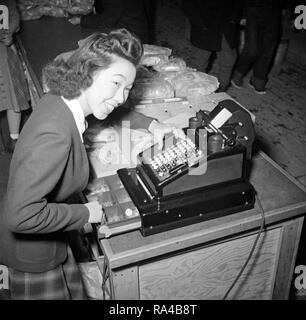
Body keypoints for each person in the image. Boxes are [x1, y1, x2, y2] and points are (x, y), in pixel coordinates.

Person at [0, 28, 183, 300]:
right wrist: (87, 214)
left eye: (128, 88)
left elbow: (112, 110)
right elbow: (22, 216)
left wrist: (152, 124)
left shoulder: (63, 100)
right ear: (87, 72)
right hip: (31, 256)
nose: (122, 96)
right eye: (116, 83)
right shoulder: (55, 134)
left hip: (47, 242)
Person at [183, 0, 243, 92]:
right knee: (199, 63)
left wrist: (235, 18)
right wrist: (199, 22)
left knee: (228, 63)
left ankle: (221, 92)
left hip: (226, 26)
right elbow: (188, 5)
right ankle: (197, 92)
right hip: (204, 26)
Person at [231, 0, 283, 94]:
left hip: (274, 10)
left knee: (268, 50)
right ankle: (237, 74)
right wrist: (242, 14)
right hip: (253, 9)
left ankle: (258, 80)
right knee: (252, 49)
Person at [0, 0, 31, 153]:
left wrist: (9, 32)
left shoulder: (8, 3)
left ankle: (13, 138)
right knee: (13, 98)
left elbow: (13, 18)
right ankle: (13, 137)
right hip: (3, 53)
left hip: (4, 55)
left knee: (13, 97)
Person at [69, 0, 152, 44]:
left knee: (87, 42)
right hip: (128, 25)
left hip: (131, 36)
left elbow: (106, 20)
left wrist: (81, 20)